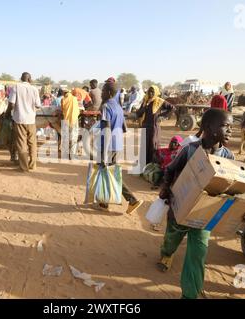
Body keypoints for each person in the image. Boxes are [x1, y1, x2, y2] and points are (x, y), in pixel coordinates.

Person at [158, 108, 234, 299]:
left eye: (231, 127)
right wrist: (166, 188)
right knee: (172, 238)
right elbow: (170, 170)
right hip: (181, 208)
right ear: (208, 127)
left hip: (205, 212)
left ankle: (190, 294)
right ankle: (167, 253)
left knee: (198, 252)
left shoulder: (228, 157)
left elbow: (234, 186)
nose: (231, 131)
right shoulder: (190, 149)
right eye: (226, 126)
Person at [99, 82, 144, 215]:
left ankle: (132, 200)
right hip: (117, 144)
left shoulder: (106, 106)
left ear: (108, 92)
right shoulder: (118, 107)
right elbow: (124, 128)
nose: (101, 93)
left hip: (108, 145)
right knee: (106, 173)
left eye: (103, 90)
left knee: (110, 173)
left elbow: (106, 129)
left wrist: (105, 153)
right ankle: (103, 203)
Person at [6, 72, 41, 172]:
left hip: (19, 119)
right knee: (32, 143)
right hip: (31, 119)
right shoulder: (34, 89)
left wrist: (7, 113)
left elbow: (11, 104)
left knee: (21, 143)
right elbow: (38, 105)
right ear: (30, 79)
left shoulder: (16, 87)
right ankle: (32, 165)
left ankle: (24, 167)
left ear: (21, 78)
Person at [135, 85, 174, 165]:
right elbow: (138, 114)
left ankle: (152, 164)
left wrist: (162, 116)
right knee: (144, 146)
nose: (151, 93)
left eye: (153, 92)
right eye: (149, 91)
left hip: (154, 127)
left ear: (156, 92)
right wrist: (145, 107)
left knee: (153, 145)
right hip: (145, 126)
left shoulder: (159, 101)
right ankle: (144, 164)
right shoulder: (145, 101)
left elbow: (172, 108)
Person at [60, 89, 80, 160]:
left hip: (66, 120)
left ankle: (65, 155)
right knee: (73, 138)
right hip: (74, 120)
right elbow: (78, 110)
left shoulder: (63, 99)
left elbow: (62, 110)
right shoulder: (74, 98)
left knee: (65, 138)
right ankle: (72, 156)